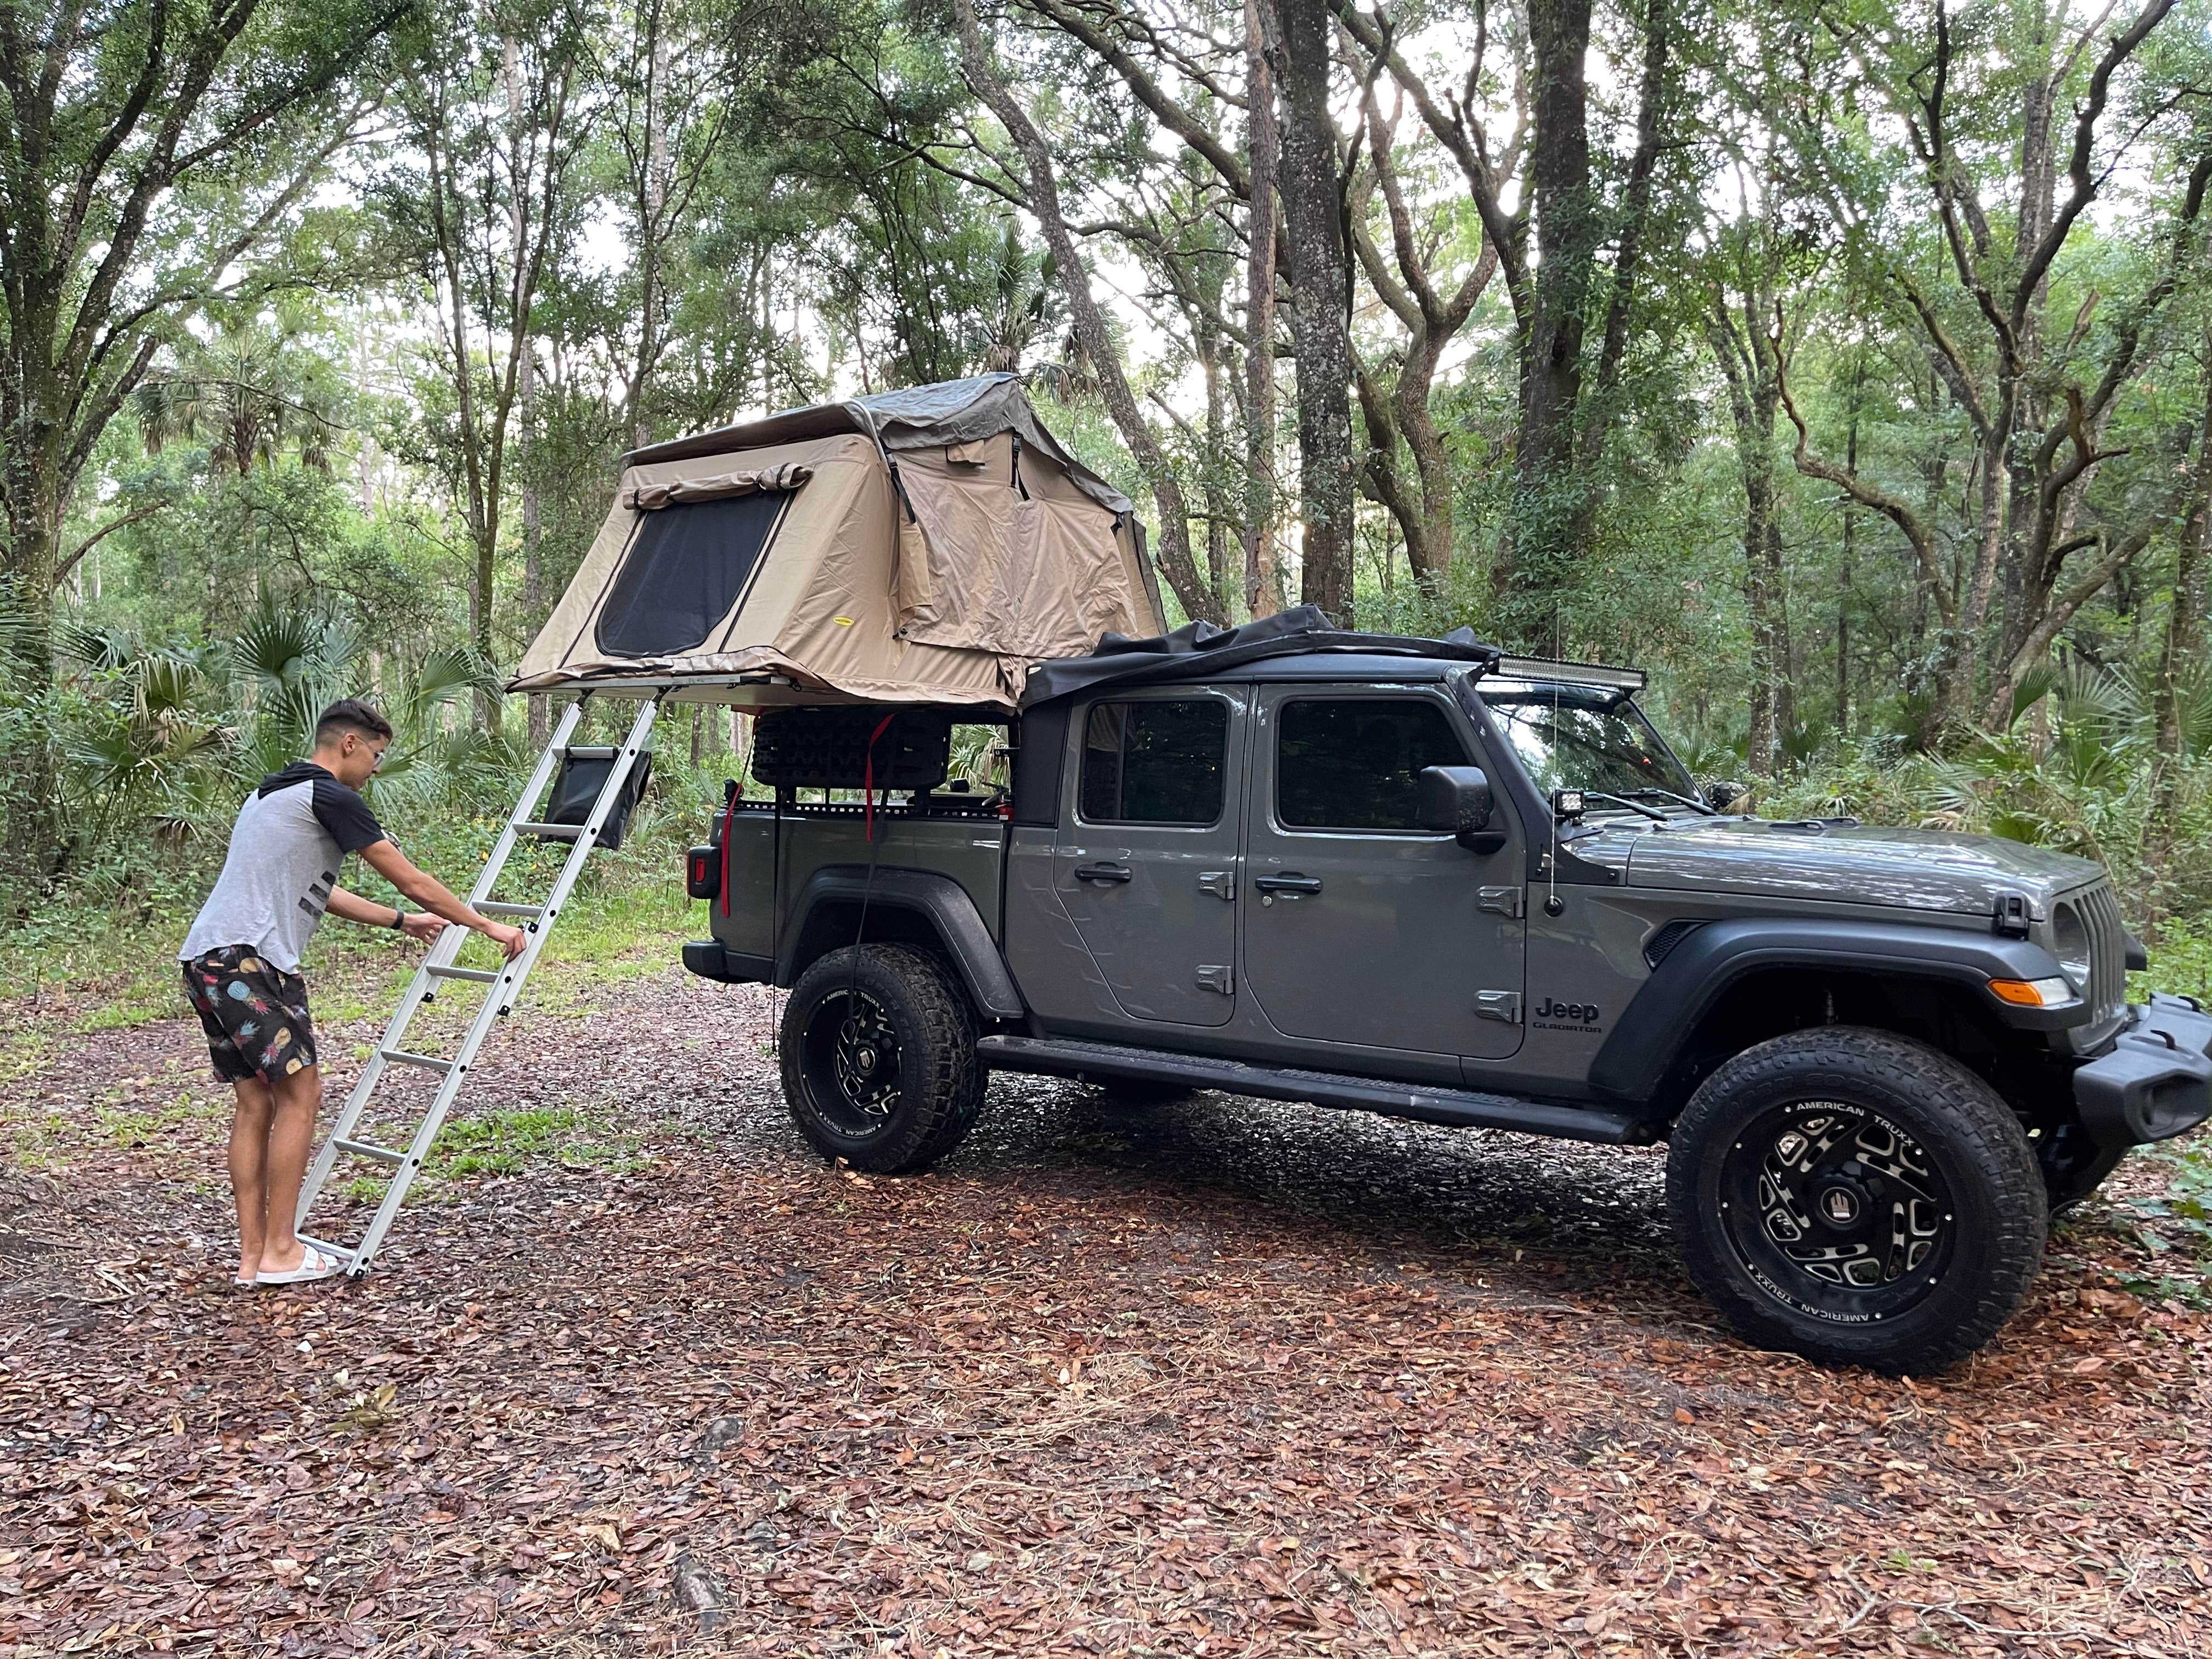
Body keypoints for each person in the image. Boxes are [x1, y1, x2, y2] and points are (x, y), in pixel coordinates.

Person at [178, 698, 528, 1286]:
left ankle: (253, 1259)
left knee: (256, 1103)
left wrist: (400, 921)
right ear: (349, 745)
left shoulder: (268, 794)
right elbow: (411, 876)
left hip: (206, 959)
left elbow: (318, 890)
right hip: (251, 962)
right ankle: (283, 1252)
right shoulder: (332, 796)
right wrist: (487, 925)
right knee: (301, 1095)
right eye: (377, 755)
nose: (377, 769)